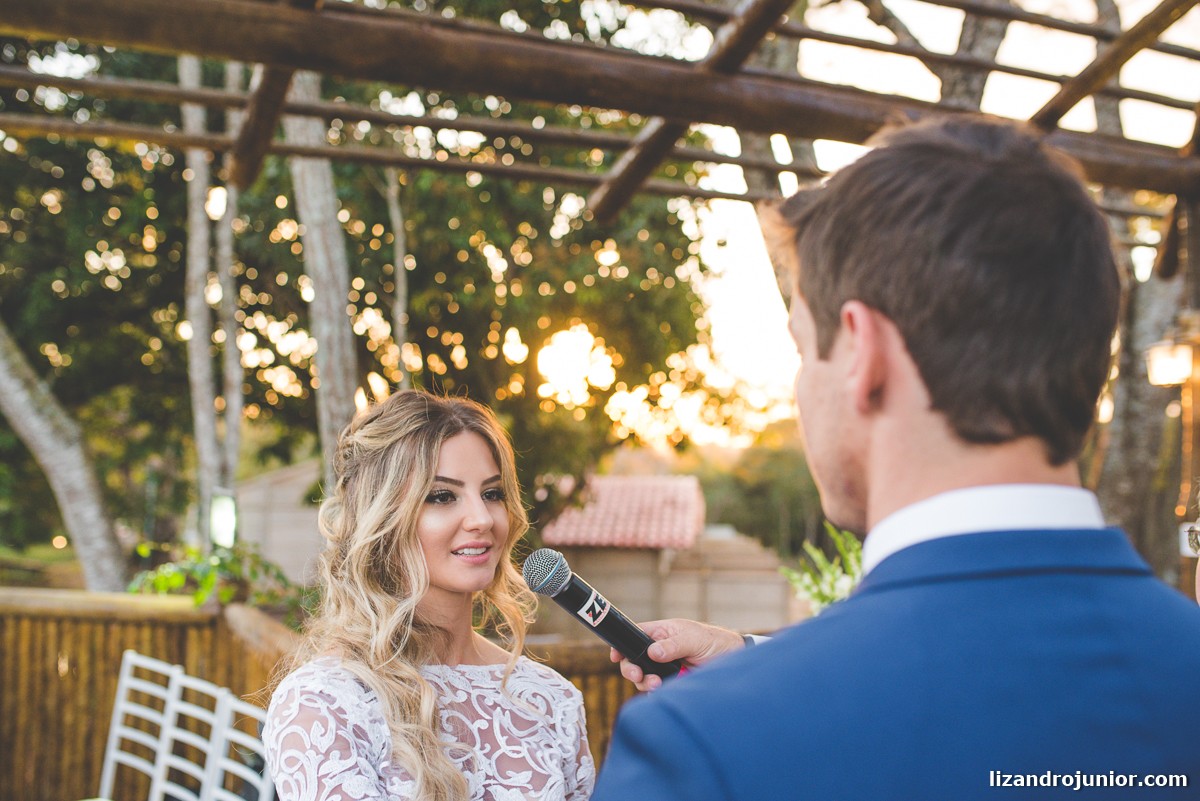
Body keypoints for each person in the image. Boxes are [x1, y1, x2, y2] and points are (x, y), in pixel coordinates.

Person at [593, 117, 1200, 800]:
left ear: (863, 353)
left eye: (802, 349)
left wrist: (755, 686)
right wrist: (757, 656)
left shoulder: (701, 747)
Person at [264, 390, 594, 801]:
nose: (481, 519)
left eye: (492, 494)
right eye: (441, 496)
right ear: (382, 518)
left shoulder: (552, 700)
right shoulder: (325, 704)